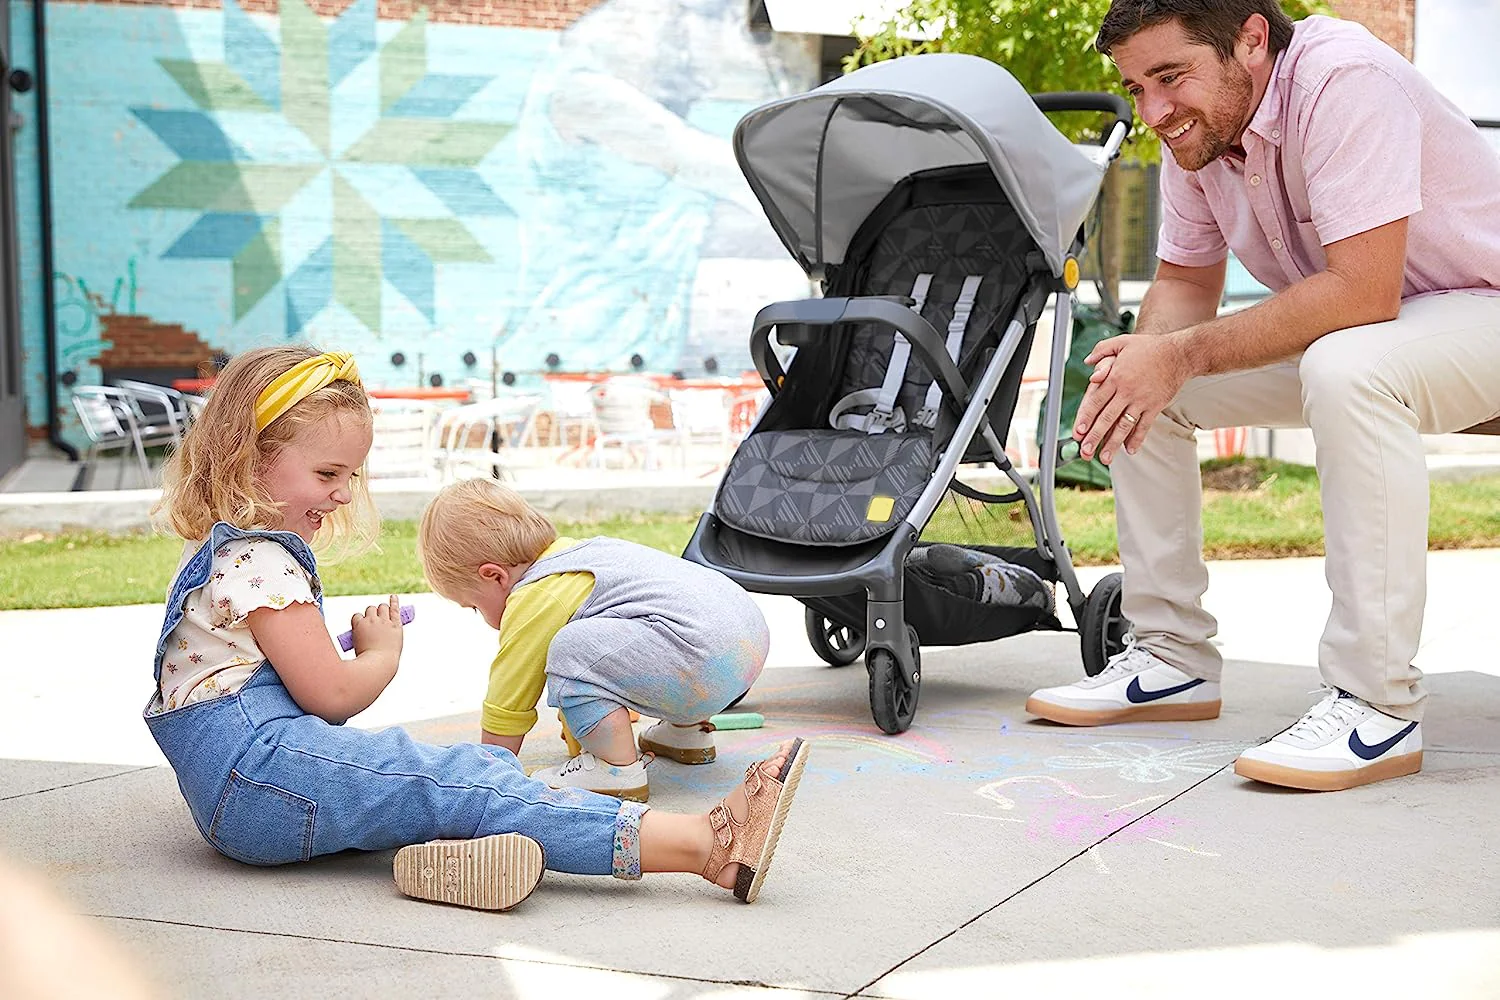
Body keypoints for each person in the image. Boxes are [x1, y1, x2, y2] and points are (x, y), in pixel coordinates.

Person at [1024, 1, 1500, 791]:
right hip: (1382, 329)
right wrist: (1146, 370)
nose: (1153, 112)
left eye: (1169, 77)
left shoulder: (1344, 79)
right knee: (1138, 377)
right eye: (1136, 87)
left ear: (1251, 38)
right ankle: (1171, 659)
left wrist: (1181, 356)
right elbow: (1182, 283)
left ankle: (1376, 704)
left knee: (1349, 366)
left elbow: (1362, 290)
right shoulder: (1199, 135)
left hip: (1482, 307)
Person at [145, 344, 808, 907]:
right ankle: (708, 846)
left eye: (350, 474)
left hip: (247, 788)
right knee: (458, 780)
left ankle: (455, 847)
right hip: (261, 781)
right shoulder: (262, 562)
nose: (344, 492)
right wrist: (381, 652)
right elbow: (332, 697)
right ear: (250, 458)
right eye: (328, 473)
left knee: (431, 784)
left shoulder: (221, 553)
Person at [416, 477, 769, 801]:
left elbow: (509, 697)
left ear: (494, 576)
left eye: (473, 606)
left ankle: (615, 769)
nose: (481, 617)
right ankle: (686, 733)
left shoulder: (535, 595)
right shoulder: (582, 556)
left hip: (699, 666)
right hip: (742, 649)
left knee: (569, 650)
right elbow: (611, 659)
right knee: (635, 633)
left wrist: (488, 767)